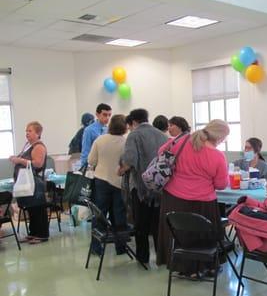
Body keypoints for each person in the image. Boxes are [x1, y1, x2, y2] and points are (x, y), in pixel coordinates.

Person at [156, 119, 229, 277]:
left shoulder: (182, 141)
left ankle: (179, 265)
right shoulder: (218, 156)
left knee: (178, 232)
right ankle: (202, 267)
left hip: (173, 198)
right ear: (220, 137)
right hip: (202, 203)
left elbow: (161, 152)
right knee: (201, 234)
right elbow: (221, 184)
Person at [119, 109, 168, 264]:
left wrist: (120, 170)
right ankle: (162, 257)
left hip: (141, 187)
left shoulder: (134, 135)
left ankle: (143, 258)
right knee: (158, 224)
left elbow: (130, 160)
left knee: (141, 225)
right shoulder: (162, 135)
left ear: (133, 122)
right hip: (160, 187)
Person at [88, 115, 128, 255]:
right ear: (125, 126)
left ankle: (95, 246)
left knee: (99, 214)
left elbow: (91, 160)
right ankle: (121, 247)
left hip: (101, 181)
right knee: (119, 215)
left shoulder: (100, 140)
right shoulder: (126, 142)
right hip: (119, 182)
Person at [9, 122, 49, 243]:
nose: (27, 133)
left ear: (38, 133)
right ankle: (33, 233)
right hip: (27, 183)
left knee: (37, 208)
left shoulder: (39, 147)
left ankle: (42, 235)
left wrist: (19, 160)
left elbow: (37, 164)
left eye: (30, 131)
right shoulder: (28, 145)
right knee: (31, 208)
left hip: (35, 183)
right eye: (26, 131)